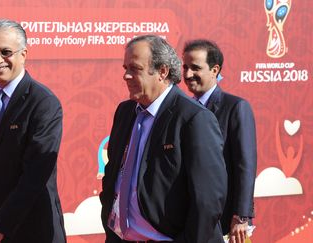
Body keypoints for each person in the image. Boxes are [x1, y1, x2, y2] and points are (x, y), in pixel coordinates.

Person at [100, 35, 227, 243]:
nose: (126, 76)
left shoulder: (194, 118)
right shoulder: (125, 112)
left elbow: (207, 201)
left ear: (162, 71)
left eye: (135, 69)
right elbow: (113, 174)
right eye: (125, 68)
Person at [0, 19, 66, 243]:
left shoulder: (44, 103)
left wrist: (2, 222)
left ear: (23, 54)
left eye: (6, 52)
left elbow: (36, 174)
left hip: (29, 227)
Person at [182, 39, 257, 243]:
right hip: (188, 220)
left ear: (215, 70)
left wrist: (241, 216)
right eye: (185, 67)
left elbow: (245, 165)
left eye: (195, 68)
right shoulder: (182, 109)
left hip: (223, 222)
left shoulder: (235, 107)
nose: (188, 74)